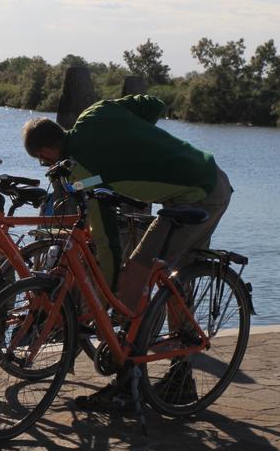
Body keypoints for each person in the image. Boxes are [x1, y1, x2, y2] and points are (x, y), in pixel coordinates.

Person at [22, 94, 233, 411]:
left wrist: (107, 299)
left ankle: (128, 384)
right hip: (202, 179)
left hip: (200, 195)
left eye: (44, 161)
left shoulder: (85, 174)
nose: (48, 166)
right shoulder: (96, 112)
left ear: (48, 151)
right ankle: (180, 376)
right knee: (170, 278)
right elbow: (154, 104)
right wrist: (140, 141)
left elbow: (108, 240)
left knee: (138, 272)